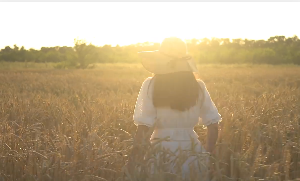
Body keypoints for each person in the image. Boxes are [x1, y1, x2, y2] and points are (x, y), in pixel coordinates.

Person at [126, 37, 222, 181]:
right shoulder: (198, 86)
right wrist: (207, 155)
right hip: (193, 153)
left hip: (160, 152)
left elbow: (144, 128)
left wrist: (133, 160)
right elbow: (213, 126)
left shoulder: (151, 85)